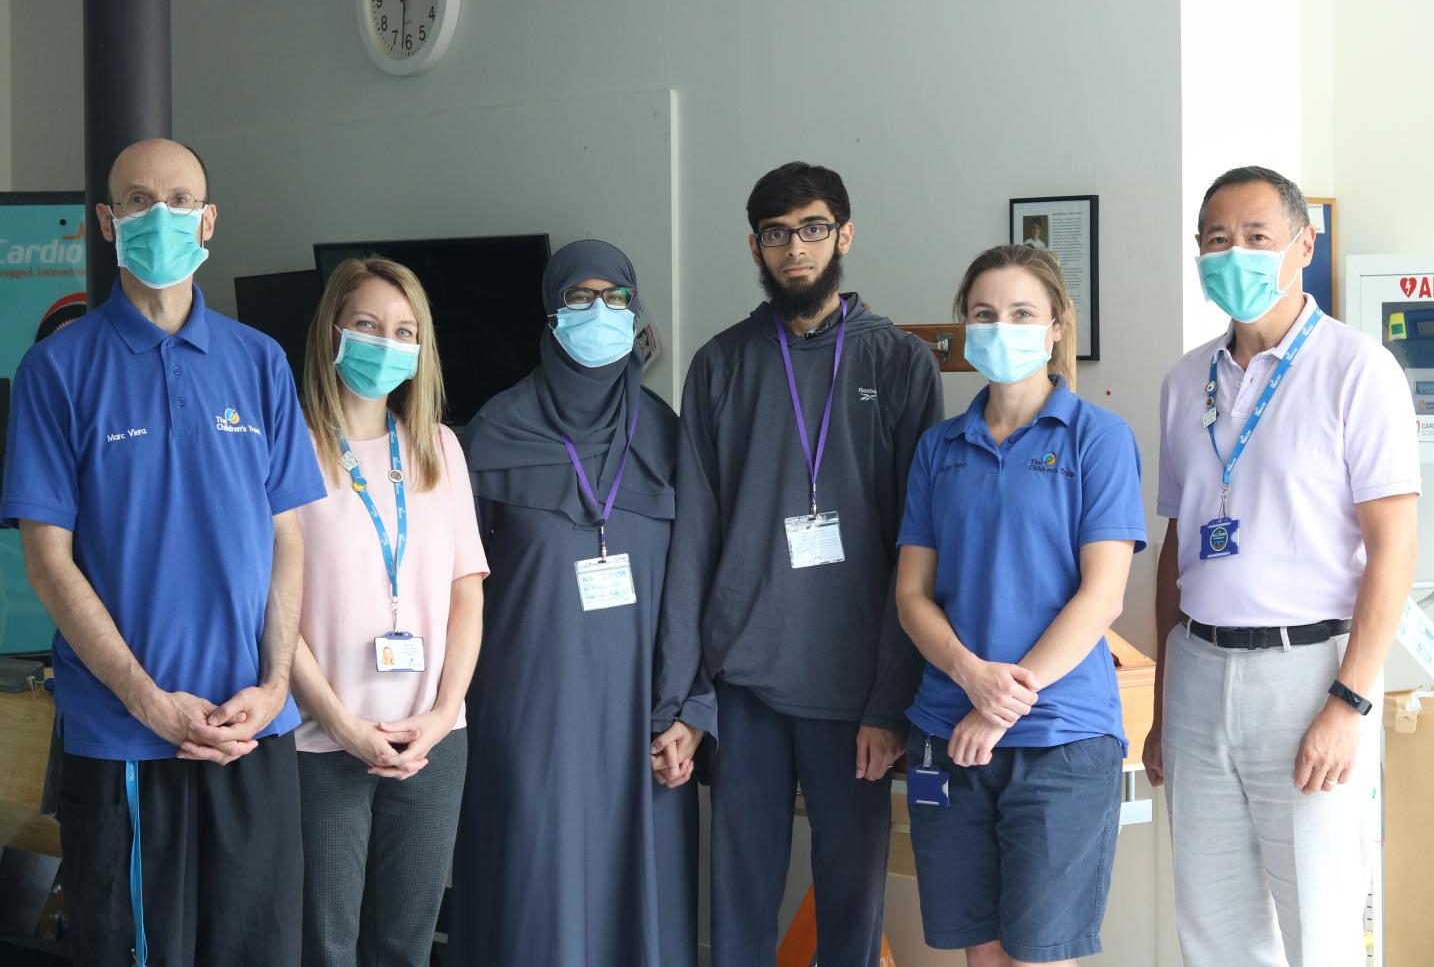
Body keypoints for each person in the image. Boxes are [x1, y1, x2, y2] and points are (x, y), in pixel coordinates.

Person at [0, 138, 325, 965]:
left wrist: (275, 683)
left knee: (261, 948)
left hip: (256, 731)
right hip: (125, 739)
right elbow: (47, 561)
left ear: (208, 220)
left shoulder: (259, 363)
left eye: (179, 200)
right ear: (108, 222)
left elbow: (288, 537)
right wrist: (150, 702)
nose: (160, 217)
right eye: (138, 201)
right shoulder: (56, 369)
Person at [661, 161, 943, 966]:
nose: (796, 248)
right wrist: (687, 695)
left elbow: (917, 546)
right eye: (778, 234)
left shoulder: (897, 363)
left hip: (854, 689)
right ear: (756, 247)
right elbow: (694, 542)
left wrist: (891, 701)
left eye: (813, 228)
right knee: (739, 900)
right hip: (745, 683)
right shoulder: (720, 366)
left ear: (844, 236)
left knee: (850, 902)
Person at [1144, 166, 1420, 967]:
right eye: (1217, 240)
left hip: (1307, 675)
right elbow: (1179, 546)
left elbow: (1394, 549)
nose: (1236, 253)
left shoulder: (1356, 369)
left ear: (1303, 245)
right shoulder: (1182, 380)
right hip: (1197, 671)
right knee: (1214, 927)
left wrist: (1349, 700)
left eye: (1257, 237)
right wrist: (1165, 699)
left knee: (1322, 925)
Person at [452, 239, 701, 965]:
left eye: (615, 298)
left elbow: (697, 582)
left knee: (636, 901)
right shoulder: (492, 433)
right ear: (551, 314)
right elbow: (458, 588)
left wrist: (691, 709)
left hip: (642, 716)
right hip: (530, 712)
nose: (599, 312)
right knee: (536, 894)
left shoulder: (668, 432)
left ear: (635, 309)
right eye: (579, 298)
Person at [895, 244, 1145, 966]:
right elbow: (912, 595)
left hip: (1059, 737)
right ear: (965, 327)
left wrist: (1000, 702)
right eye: (984, 314)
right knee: (985, 955)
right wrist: (971, 678)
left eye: (1022, 313)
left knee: (1041, 955)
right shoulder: (939, 448)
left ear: (1058, 326)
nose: (1001, 327)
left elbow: (1102, 595)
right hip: (950, 730)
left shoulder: (1097, 439)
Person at [288, 256, 487, 967]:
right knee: (326, 945)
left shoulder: (440, 449)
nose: (386, 341)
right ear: (333, 330)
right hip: (322, 739)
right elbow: (269, 609)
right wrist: (342, 724)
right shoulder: (290, 450)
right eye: (368, 324)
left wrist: (440, 716)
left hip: (432, 742)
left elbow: (468, 593)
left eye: (404, 329)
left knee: (405, 945)